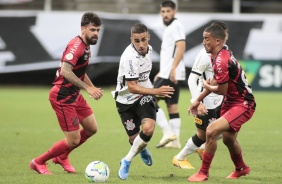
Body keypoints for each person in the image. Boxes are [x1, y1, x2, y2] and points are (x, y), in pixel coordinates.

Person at [29, 12, 104, 174]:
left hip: (74, 94)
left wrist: (92, 87)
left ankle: (62, 157)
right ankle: (38, 162)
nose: (96, 33)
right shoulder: (76, 46)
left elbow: (80, 71)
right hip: (62, 96)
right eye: (92, 30)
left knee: (91, 128)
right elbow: (65, 71)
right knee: (73, 139)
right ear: (83, 29)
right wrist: (87, 88)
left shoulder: (86, 47)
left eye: (98, 30)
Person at [187, 25, 256, 182]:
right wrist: (198, 99)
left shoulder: (221, 60)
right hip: (231, 102)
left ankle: (203, 173)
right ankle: (241, 168)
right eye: (203, 38)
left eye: (206, 39)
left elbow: (221, 90)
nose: (203, 42)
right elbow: (216, 82)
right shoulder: (218, 53)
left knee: (211, 131)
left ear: (217, 40)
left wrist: (208, 86)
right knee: (228, 139)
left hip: (243, 103)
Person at [112, 23, 174, 180]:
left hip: (144, 95)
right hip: (125, 99)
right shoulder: (129, 58)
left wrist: (153, 90)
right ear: (131, 39)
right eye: (137, 41)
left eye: (144, 40)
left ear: (148, 38)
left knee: (147, 129)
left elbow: (143, 78)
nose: (141, 45)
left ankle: (126, 161)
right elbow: (132, 87)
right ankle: (141, 149)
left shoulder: (150, 50)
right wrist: (156, 91)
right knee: (134, 139)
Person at [172, 21, 228, 169]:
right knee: (204, 135)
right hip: (206, 102)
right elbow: (192, 79)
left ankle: (200, 147)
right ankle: (179, 157)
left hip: (220, 100)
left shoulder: (225, 52)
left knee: (226, 130)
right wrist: (198, 101)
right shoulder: (204, 55)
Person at [154, 0, 186, 149]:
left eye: (168, 11)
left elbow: (181, 47)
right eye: (163, 12)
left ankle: (167, 133)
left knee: (149, 100)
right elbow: (169, 52)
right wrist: (162, 70)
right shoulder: (170, 27)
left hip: (170, 73)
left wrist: (172, 68)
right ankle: (175, 141)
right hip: (168, 72)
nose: (165, 14)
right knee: (172, 106)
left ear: (174, 12)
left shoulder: (176, 26)